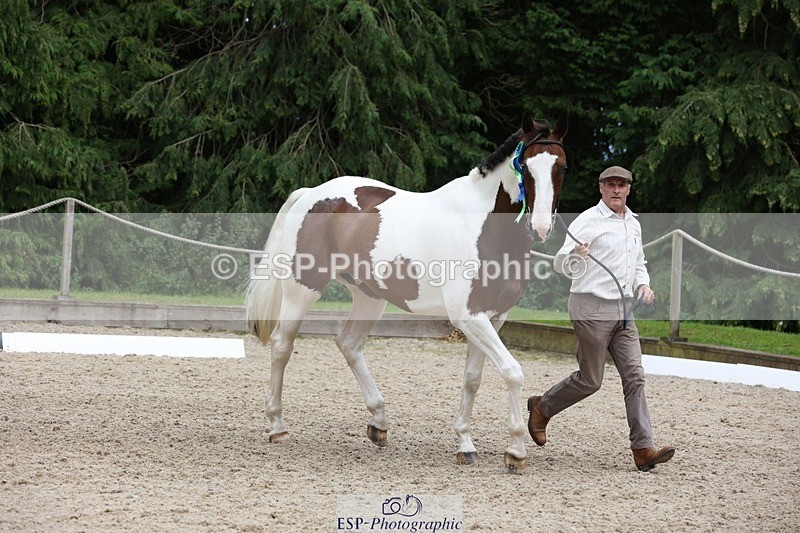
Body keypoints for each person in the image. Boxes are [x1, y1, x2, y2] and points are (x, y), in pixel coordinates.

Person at [527, 165, 674, 471]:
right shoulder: (588, 220)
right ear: (601, 188)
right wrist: (574, 256)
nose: (616, 190)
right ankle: (542, 407)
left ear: (629, 189)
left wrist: (642, 284)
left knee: (635, 376)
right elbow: (559, 264)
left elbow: (638, 263)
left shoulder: (633, 223)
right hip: (589, 307)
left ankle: (643, 449)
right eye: (611, 185)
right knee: (591, 380)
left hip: (624, 312)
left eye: (622, 185)